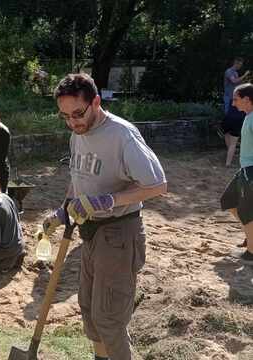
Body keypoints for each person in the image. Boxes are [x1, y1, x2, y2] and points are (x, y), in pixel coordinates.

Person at [42, 73, 167, 360]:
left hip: (120, 234)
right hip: (90, 233)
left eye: (78, 113)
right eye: (65, 116)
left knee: (109, 320)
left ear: (96, 101)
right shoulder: (77, 135)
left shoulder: (121, 134)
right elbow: (78, 179)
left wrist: (109, 200)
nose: (73, 122)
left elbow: (158, 185)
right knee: (91, 315)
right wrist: (63, 211)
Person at [220, 83, 253, 259]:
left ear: (247, 99)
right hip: (245, 169)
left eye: (236, 99)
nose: (233, 103)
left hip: (251, 171)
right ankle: (251, 236)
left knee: (246, 211)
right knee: (229, 201)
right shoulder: (248, 116)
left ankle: (251, 252)